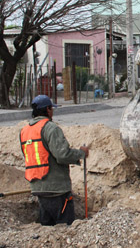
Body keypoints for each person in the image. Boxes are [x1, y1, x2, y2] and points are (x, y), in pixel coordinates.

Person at [20, 95, 90, 226]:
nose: (52, 111)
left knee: (47, 228)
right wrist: (80, 153)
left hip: (38, 187)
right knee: (65, 227)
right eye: (51, 108)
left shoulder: (25, 131)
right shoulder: (50, 128)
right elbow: (62, 155)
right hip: (57, 188)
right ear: (47, 109)